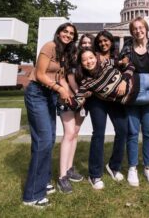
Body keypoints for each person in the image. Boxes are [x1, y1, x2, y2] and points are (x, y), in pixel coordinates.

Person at [22, 23, 77, 207]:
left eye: (71, 34)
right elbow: (39, 74)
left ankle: (43, 181)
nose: (68, 35)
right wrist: (59, 89)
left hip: (50, 95)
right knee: (43, 140)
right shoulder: (49, 46)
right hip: (37, 92)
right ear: (59, 32)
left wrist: (69, 94)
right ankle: (32, 195)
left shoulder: (64, 53)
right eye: (65, 31)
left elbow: (60, 77)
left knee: (49, 139)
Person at [118, 17, 149, 187]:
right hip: (132, 95)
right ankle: (132, 167)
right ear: (131, 31)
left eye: (141, 27)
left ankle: (148, 167)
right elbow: (121, 69)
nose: (138, 31)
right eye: (134, 28)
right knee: (133, 132)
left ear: (146, 28)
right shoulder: (127, 47)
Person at [85, 30, 128, 190]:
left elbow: (126, 70)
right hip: (97, 100)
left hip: (114, 99)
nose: (103, 43)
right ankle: (94, 174)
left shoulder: (116, 57)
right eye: (101, 41)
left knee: (123, 130)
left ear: (111, 41)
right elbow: (85, 74)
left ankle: (113, 165)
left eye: (106, 41)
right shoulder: (93, 57)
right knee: (99, 134)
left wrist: (124, 80)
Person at [56, 26, 87, 194]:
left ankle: (69, 169)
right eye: (84, 42)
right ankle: (62, 177)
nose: (86, 45)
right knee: (68, 133)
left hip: (82, 101)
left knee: (74, 134)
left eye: (90, 43)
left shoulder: (88, 60)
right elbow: (66, 76)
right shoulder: (70, 54)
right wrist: (77, 94)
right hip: (68, 98)